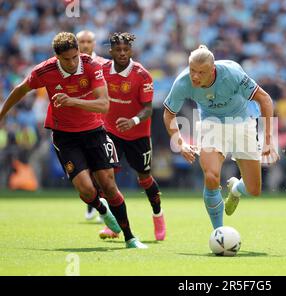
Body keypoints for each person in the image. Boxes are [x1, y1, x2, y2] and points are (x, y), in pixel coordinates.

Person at [0, 32, 147, 249]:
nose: (72, 62)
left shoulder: (90, 65)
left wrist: (72, 101)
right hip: (65, 136)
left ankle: (130, 237)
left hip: (95, 132)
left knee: (108, 184)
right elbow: (20, 90)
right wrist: (2, 115)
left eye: (74, 57)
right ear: (56, 57)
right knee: (86, 190)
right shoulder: (44, 71)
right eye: (66, 59)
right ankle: (103, 210)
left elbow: (104, 105)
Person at [163, 45, 279, 230]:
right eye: (192, 70)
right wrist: (181, 143)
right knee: (211, 176)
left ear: (213, 69)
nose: (195, 76)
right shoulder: (183, 82)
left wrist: (268, 141)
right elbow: (169, 114)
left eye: (201, 72)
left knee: (254, 190)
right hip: (211, 123)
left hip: (243, 121)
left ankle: (235, 189)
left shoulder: (232, 75)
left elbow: (265, 99)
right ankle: (219, 232)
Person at [97, 32, 166, 241]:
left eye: (126, 49)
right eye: (117, 50)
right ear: (110, 51)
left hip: (138, 134)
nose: (122, 53)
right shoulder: (101, 72)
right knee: (106, 179)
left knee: (144, 178)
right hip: (110, 131)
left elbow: (148, 109)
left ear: (131, 51)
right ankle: (115, 225)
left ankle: (158, 216)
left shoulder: (142, 75)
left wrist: (132, 121)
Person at [76, 30, 109, 222]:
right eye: (82, 41)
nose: (86, 45)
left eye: (89, 41)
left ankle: (101, 205)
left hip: (100, 121)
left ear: (94, 43)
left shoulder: (103, 64)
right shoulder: (70, 65)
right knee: (85, 167)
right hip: (79, 121)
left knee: (101, 166)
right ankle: (93, 204)